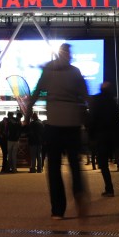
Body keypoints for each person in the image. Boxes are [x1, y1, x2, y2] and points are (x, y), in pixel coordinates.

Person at [26, 43, 89, 220]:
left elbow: (37, 91)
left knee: (53, 167)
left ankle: (58, 210)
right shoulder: (75, 72)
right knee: (75, 164)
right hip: (73, 124)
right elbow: (85, 97)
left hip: (53, 123)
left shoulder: (48, 69)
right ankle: (78, 193)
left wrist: (27, 114)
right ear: (69, 55)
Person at [88, 81, 119, 197]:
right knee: (108, 159)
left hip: (101, 136)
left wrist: (91, 135)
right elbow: (118, 121)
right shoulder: (113, 102)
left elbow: (92, 118)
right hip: (112, 137)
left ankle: (109, 188)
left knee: (103, 164)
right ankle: (110, 187)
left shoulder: (97, 100)